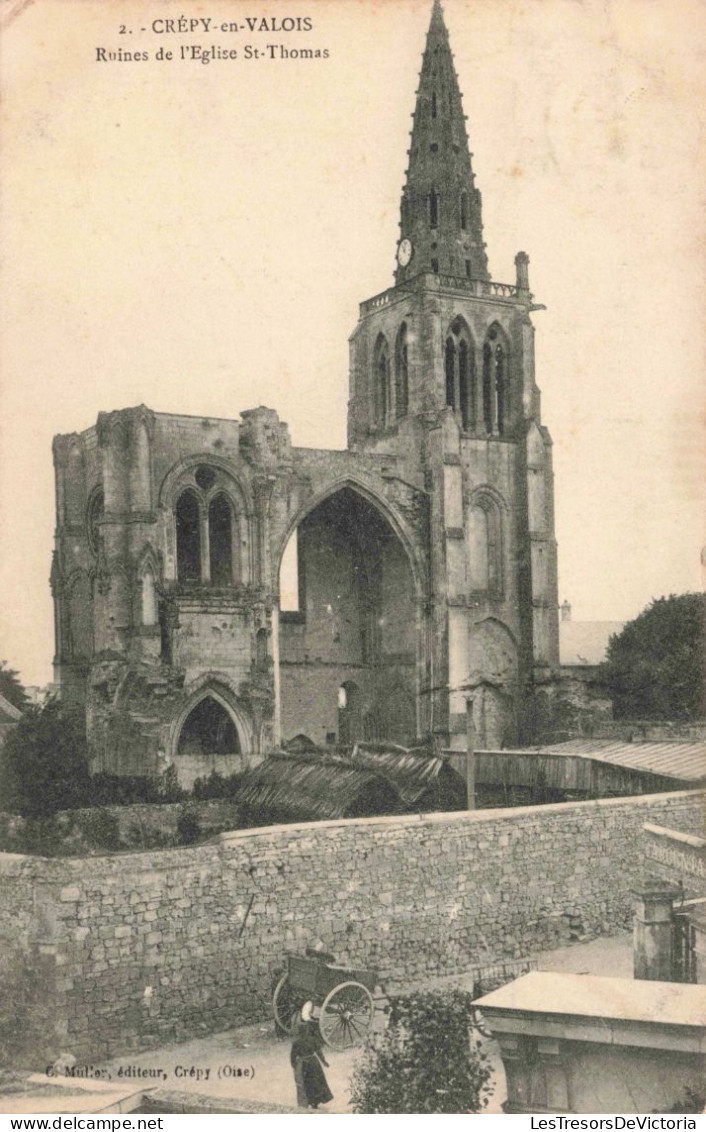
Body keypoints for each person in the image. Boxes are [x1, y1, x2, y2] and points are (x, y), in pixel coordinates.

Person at [290, 1001, 333, 1110]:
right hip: (314, 1063)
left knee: (306, 1083)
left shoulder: (297, 1042)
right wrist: (324, 1062)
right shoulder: (313, 1040)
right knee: (316, 1082)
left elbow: (292, 1056)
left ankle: (308, 1101)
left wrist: (294, 1065)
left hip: (303, 1064)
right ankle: (315, 1102)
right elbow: (319, 1052)